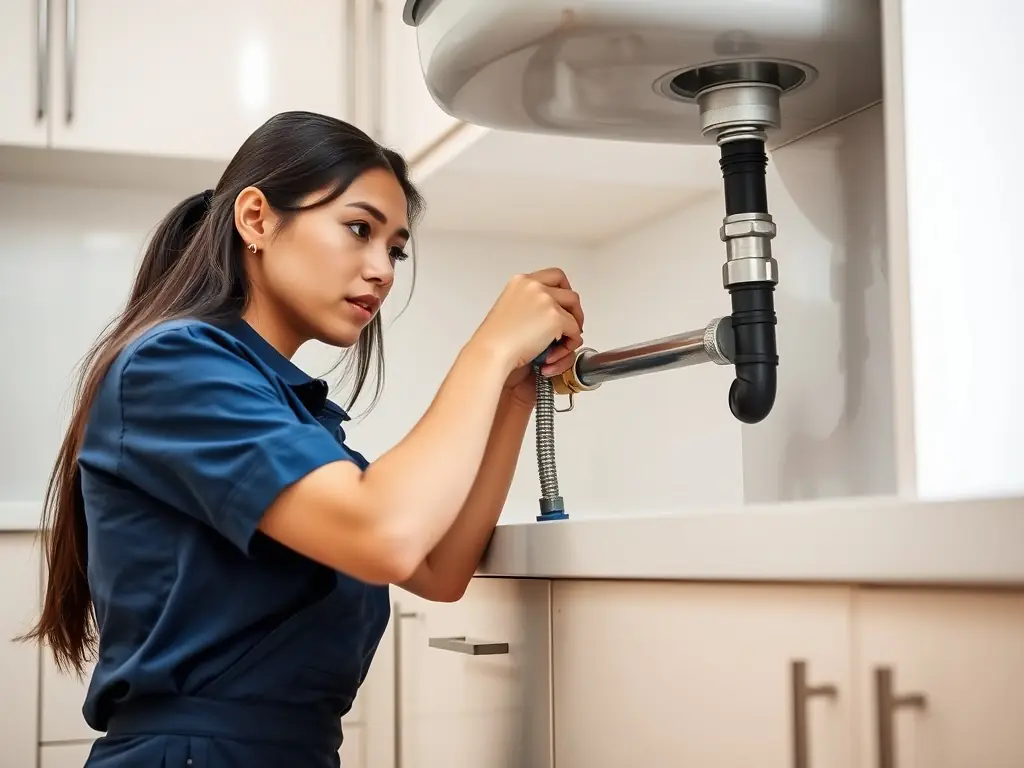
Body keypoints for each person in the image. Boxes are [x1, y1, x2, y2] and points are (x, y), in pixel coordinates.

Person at [22, 110, 585, 767]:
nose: (382, 269)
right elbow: (385, 534)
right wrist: (487, 349)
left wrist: (515, 388)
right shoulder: (173, 365)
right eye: (358, 229)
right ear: (257, 219)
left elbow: (438, 567)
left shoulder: (287, 407)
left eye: (395, 249)